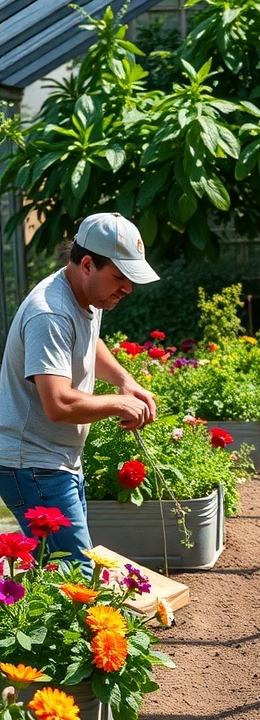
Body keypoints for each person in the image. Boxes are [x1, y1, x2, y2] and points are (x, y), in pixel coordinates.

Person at [0, 211, 159, 573]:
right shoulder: (50, 314)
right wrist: (119, 403)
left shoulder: (85, 295)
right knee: (78, 578)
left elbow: (86, 342)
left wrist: (124, 380)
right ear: (87, 264)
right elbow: (58, 403)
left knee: (63, 574)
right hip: (34, 465)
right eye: (120, 277)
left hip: (53, 460)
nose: (128, 288)